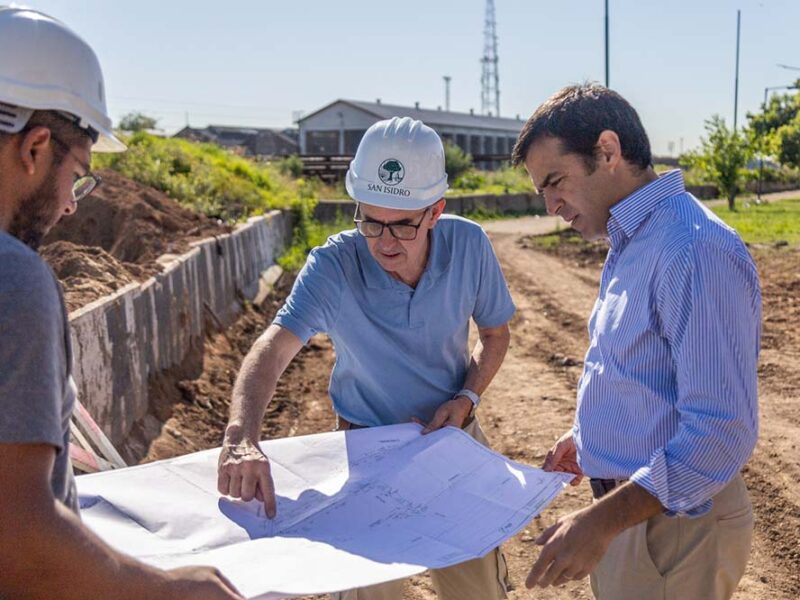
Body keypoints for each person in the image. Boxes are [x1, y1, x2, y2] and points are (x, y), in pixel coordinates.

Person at [217, 116, 515, 600]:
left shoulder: (469, 246)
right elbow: (272, 349)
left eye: (403, 225)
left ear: (435, 212)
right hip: (365, 453)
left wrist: (466, 398)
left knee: (477, 589)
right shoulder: (334, 266)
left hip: (452, 441)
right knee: (367, 590)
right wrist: (241, 437)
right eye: (371, 221)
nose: (385, 242)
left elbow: (496, 334)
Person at [0, 8, 241, 598]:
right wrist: (170, 589)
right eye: (77, 176)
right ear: (35, 148)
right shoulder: (14, 280)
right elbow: (18, 542)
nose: (70, 206)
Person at [511, 83, 760, 599]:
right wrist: (592, 439)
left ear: (608, 151)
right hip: (644, 518)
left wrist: (600, 522)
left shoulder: (692, 248)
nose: (552, 205)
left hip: (675, 527)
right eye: (542, 191)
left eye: (555, 181)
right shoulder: (634, 238)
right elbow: (641, 372)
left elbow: (719, 431)